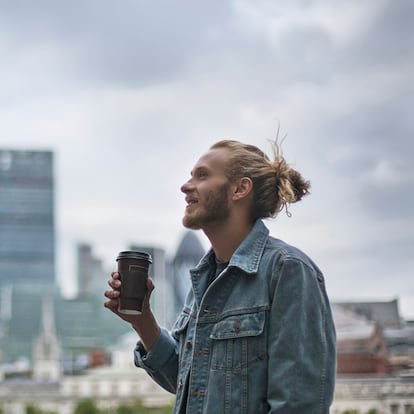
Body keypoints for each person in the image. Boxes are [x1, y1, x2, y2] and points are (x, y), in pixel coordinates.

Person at [104, 139, 336, 413]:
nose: (185, 186)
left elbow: (298, 405)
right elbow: (191, 382)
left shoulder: (288, 270)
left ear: (240, 188)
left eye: (202, 175)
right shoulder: (204, 279)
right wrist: (142, 321)